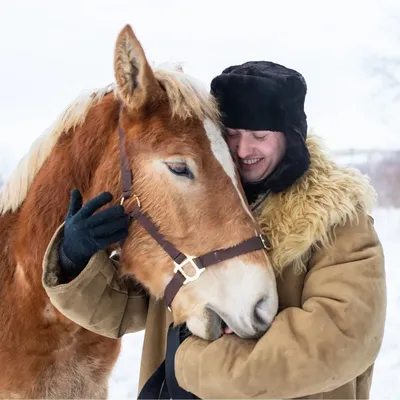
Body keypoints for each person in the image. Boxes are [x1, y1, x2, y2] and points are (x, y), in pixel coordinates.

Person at [42, 61, 386, 399]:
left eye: (260, 136)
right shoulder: (203, 210)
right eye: (232, 135)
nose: (243, 149)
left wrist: (192, 365)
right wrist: (76, 260)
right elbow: (136, 309)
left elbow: (340, 339)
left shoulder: (339, 223)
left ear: (291, 136)